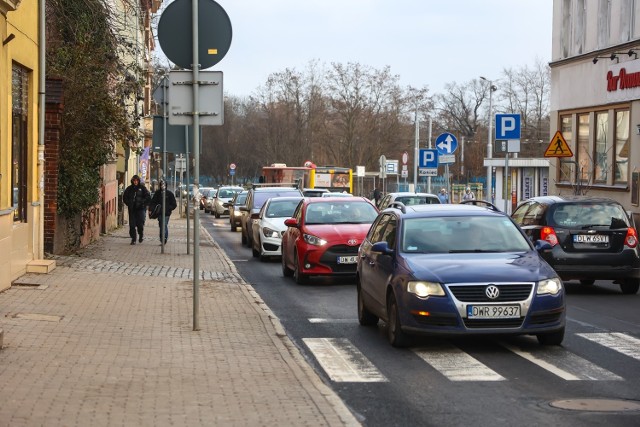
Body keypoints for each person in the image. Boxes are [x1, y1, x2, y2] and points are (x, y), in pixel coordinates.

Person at [122, 174, 151, 245]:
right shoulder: (129, 189)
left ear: (138, 181)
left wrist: (143, 203)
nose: (135, 182)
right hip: (132, 209)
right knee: (132, 225)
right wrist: (129, 203)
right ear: (132, 181)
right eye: (134, 181)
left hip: (140, 209)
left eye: (136, 180)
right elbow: (125, 197)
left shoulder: (142, 188)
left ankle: (141, 234)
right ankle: (133, 239)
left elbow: (148, 196)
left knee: (140, 224)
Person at [149, 180, 177, 245]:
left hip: (167, 213)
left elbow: (174, 204)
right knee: (161, 225)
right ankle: (162, 238)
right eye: (161, 185)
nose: (162, 186)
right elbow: (153, 202)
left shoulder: (169, 194)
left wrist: (168, 208)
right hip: (159, 212)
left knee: (164, 224)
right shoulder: (157, 193)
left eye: (164, 185)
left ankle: (164, 238)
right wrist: (151, 209)